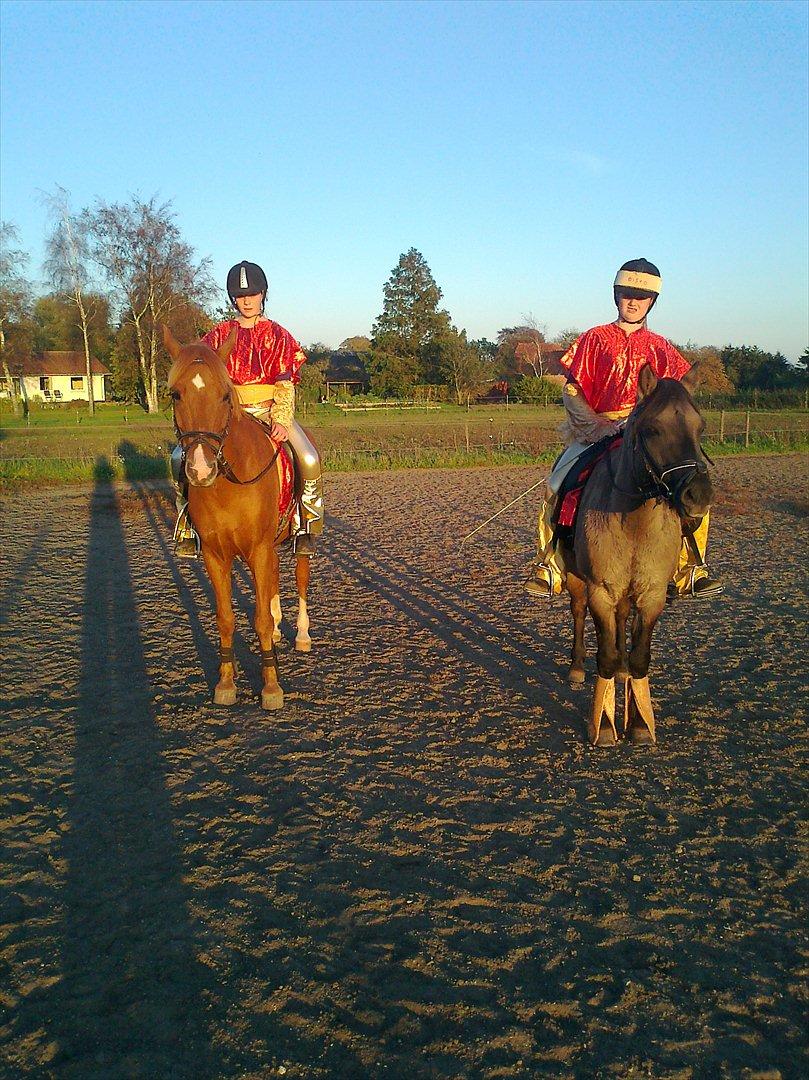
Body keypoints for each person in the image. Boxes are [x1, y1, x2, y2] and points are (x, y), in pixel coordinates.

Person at [525, 258, 722, 601]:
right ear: (616, 296)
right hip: (597, 430)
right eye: (626, 294)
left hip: (647, 437)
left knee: (691, 487)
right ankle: (550, 566)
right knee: (556, 484)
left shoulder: (662, 347)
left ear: (652, 302)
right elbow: (571, 389)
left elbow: (677, 397)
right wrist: (595, 425)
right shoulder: (593, 339)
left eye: (641, 297)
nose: (632, 302)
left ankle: (691, 568)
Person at [172, 260, 324, 558]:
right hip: (230, 413)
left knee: (308, 456)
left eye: (252, 294)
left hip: (269, 409)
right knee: (178, 456)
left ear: (263, 294)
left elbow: (285, 381)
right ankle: (187, 526)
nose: (247, 301)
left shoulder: (278, 335)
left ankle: (307, 522)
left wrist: (281, 418)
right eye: (241, 296)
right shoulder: (216, 336)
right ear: (233, 299)